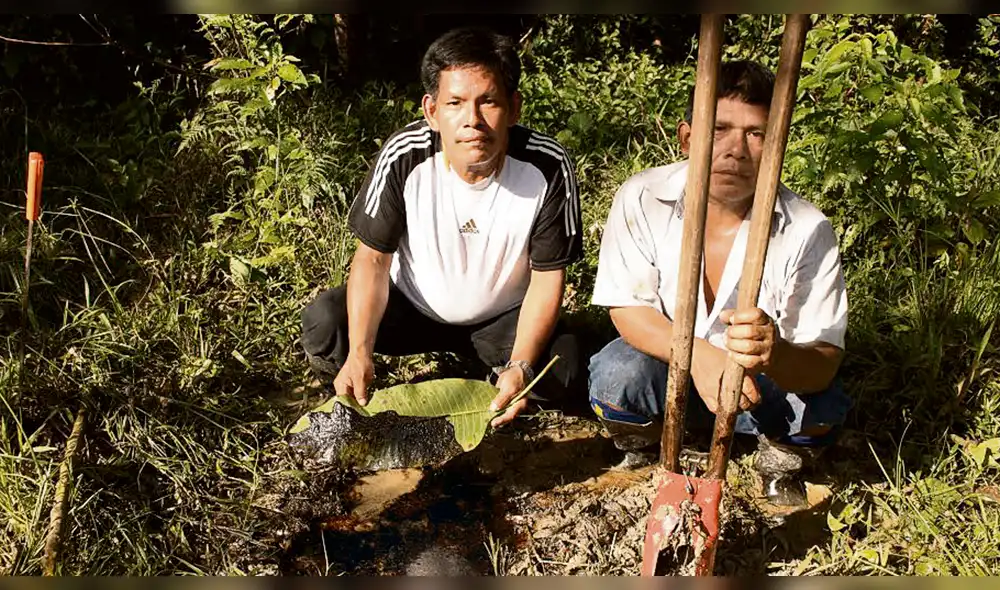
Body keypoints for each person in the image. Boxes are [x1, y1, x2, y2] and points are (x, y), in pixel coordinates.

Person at [587, 60, 852, 506]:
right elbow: (627, 309)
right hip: (669, 373)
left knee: (819, 407)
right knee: (616, 377)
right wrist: (703, 359)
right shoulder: (642, 196)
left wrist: (774, 353)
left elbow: (822, 360)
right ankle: (644, 450)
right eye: (720, 128)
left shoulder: (807, 228)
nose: (736, 150)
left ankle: (779, 462)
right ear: (688, 136)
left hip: (757, 391)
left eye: (756, 133)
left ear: (777, 145)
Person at [300, 26, 584, 428]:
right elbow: (373, 260)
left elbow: (547, 278)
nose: (473, 120)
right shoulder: (405, 155)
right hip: (412, 307)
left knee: (563, 368)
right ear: (432, 111)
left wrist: (520, 364)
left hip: (503, 316)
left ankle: (500, 387)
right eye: (455, 103)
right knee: (325, 322)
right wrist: (361, 349)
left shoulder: (548, 165)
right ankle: (351, 396)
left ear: (514, 108)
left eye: (489, 102)